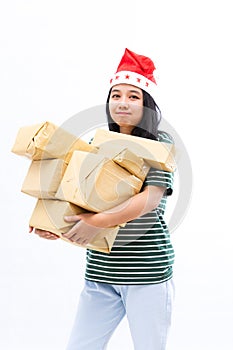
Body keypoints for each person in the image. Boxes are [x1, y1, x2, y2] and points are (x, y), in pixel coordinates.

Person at [29, 48, 176, 350]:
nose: (122, 103)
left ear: (147, 104)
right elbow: (82, 202)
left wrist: (97, 222)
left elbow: (149, 200)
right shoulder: (98, 143)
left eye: (133, 96)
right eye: (116, 95)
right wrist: (56, 228)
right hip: (100, 273)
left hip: (146, 274)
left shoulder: (161, 143)